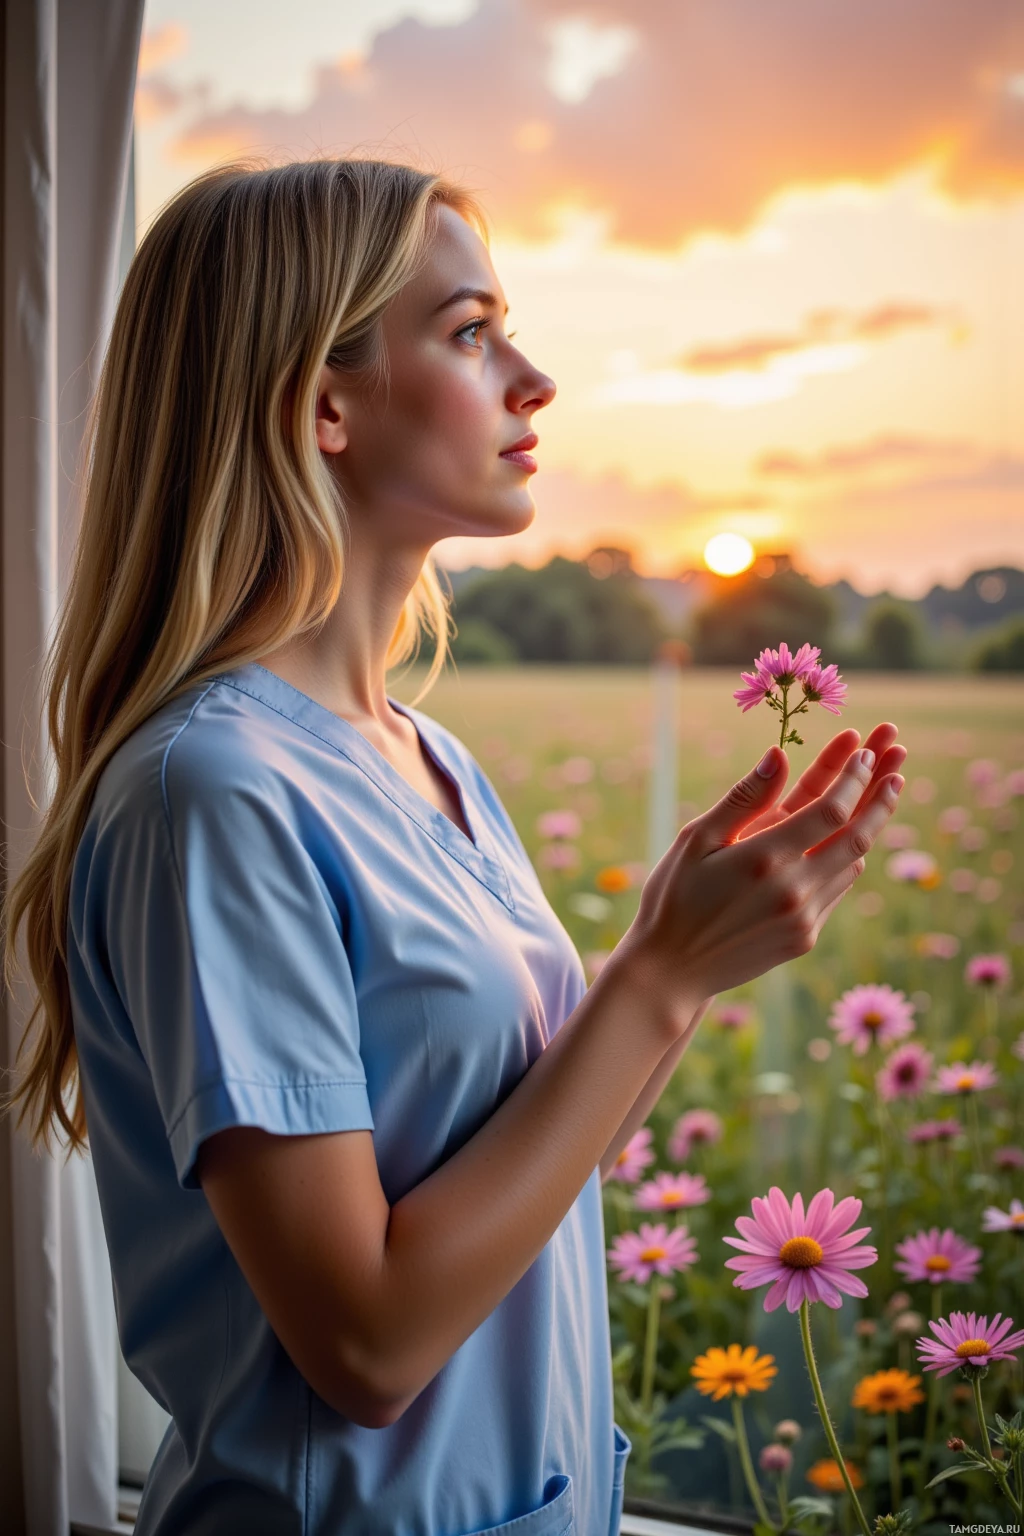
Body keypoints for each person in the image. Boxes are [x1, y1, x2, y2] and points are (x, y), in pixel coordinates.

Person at [0, 158, 905, 1536]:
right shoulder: (216, 793)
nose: (532, 379)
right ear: (323, 402)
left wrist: (685, 956)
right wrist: (654, 977)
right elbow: (365, 1345)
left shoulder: (433, 761)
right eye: (472, 332)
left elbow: (517, 1173)